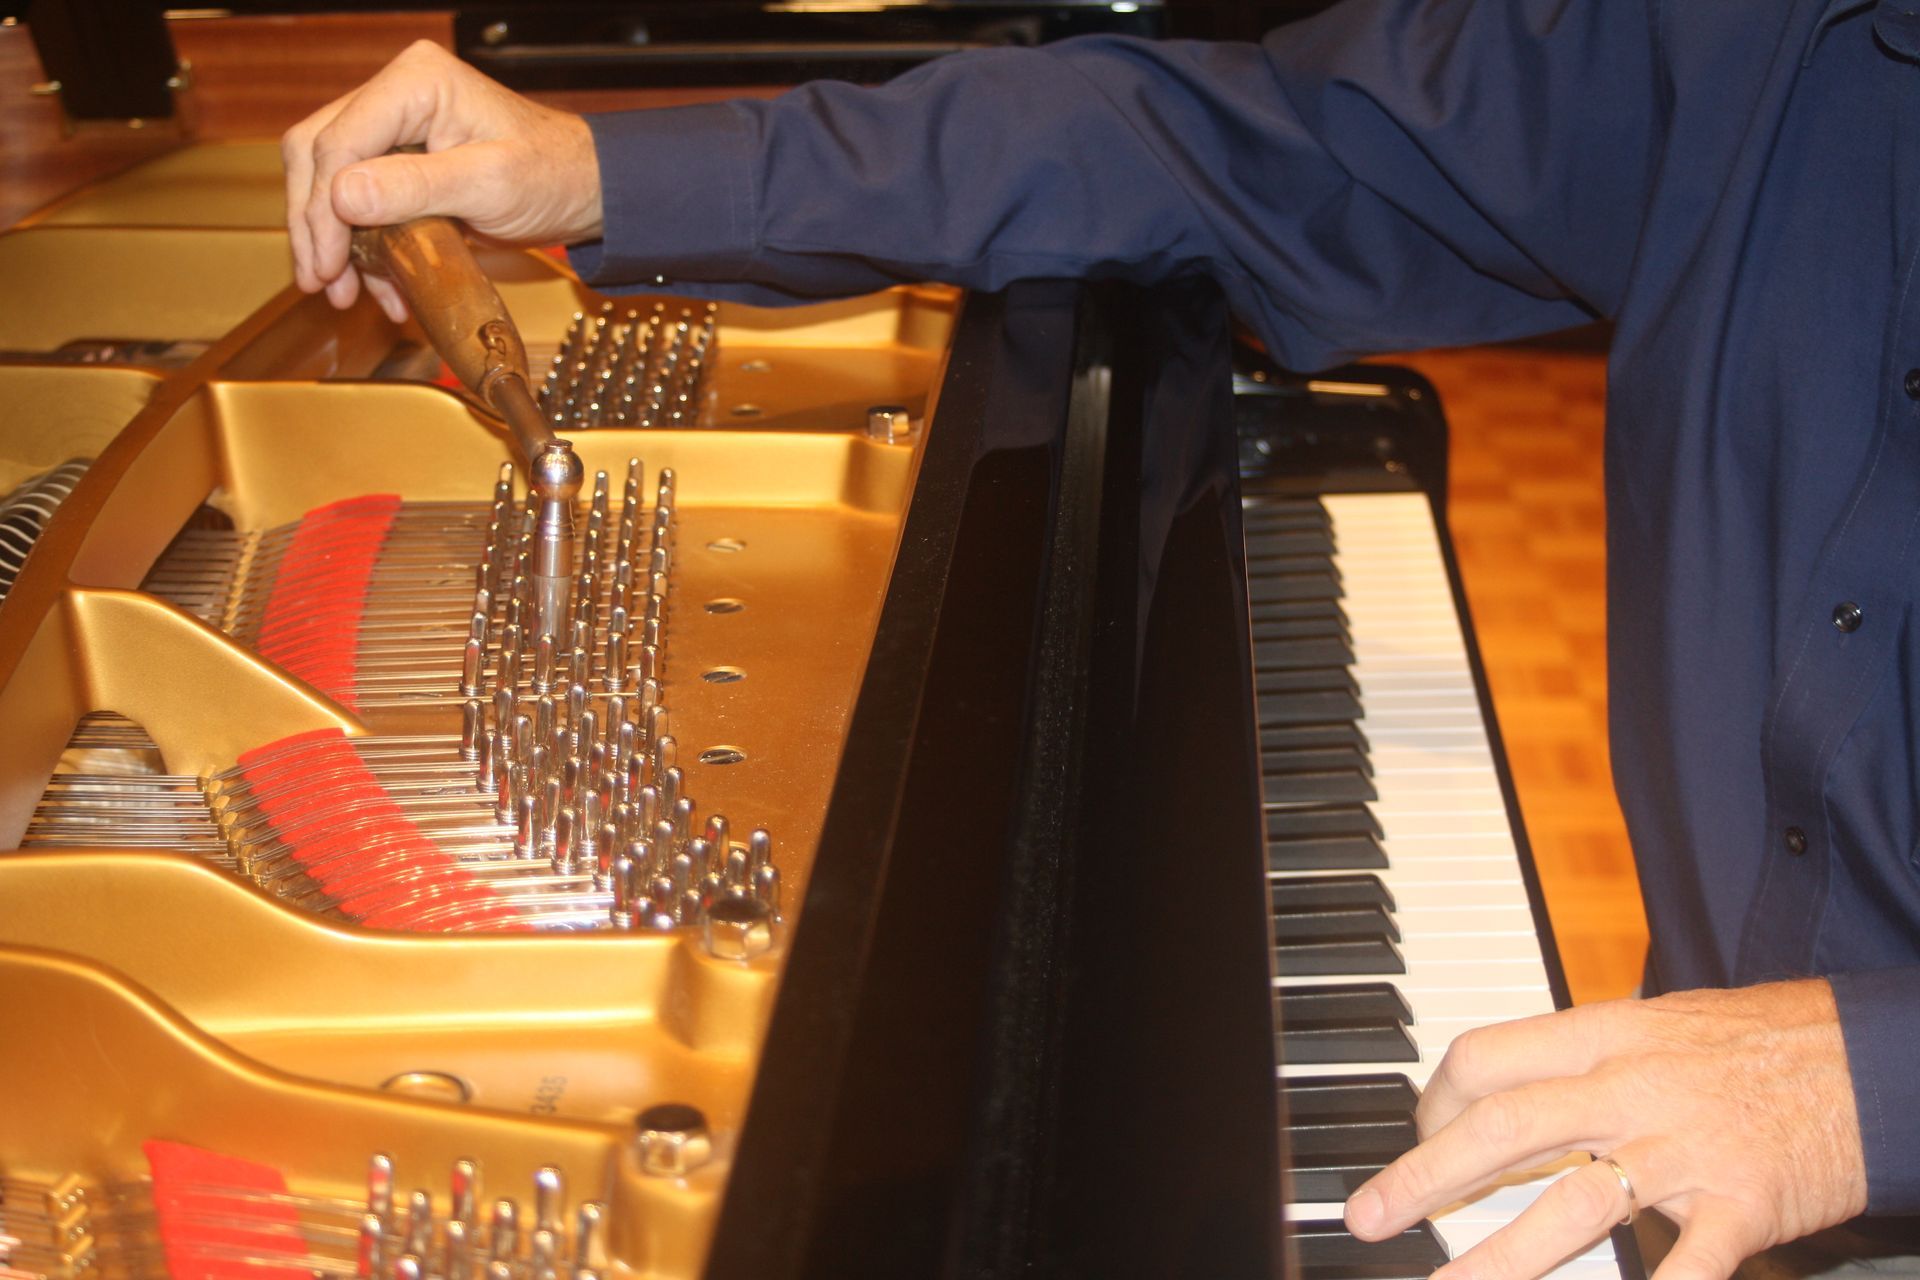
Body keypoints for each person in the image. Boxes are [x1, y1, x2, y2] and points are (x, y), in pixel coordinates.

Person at [281, 3, 1920, 1277]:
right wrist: (603, 170)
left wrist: (1868, 1083)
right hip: (1717, 1118)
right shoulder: (1761, 39)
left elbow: (1835, 1081)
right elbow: (1264, 143)